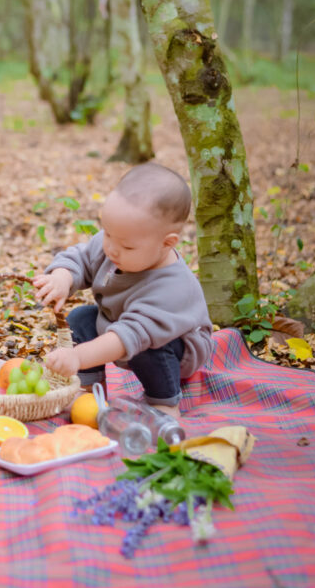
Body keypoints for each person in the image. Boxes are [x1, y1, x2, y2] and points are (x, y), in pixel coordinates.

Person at [33, 163, 213, 415]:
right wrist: (62, 278)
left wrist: (78, 356)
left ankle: (163, 401)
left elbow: (132, 334)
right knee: (80, 320)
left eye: (127, 247)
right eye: (107, 234)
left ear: (167, 243)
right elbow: (81, 259)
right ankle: (89, 389)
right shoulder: (116, 243)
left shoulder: (172, 289)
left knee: (151, 349)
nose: (111, 249)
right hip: (119, 324)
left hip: (171, 345)